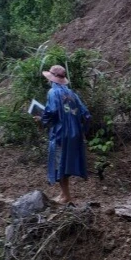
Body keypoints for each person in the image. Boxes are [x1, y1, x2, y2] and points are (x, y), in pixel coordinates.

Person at [35, 65, 91, 204]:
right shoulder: (72, 94)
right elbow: (87, 115)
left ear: (52, 79)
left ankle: (66, 196)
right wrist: (82, 131)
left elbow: (52, 112)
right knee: (66, 162)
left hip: (61, 133)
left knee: (59, 162)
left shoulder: (52, 93)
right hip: (74, 133)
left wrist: (41, 119)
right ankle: (63, 193)